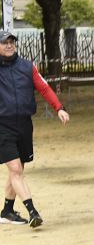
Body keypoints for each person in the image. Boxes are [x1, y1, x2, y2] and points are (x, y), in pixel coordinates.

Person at [0, 31, 69, 228]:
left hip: (24, 125)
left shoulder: (26, 67)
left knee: (17, 170)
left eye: (11, 42)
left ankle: (7, 211)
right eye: (4, 42)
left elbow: (44, 88)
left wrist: (59, 108)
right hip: (2, 125)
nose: (9, 45)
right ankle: (32, 212)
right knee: (15, 169)